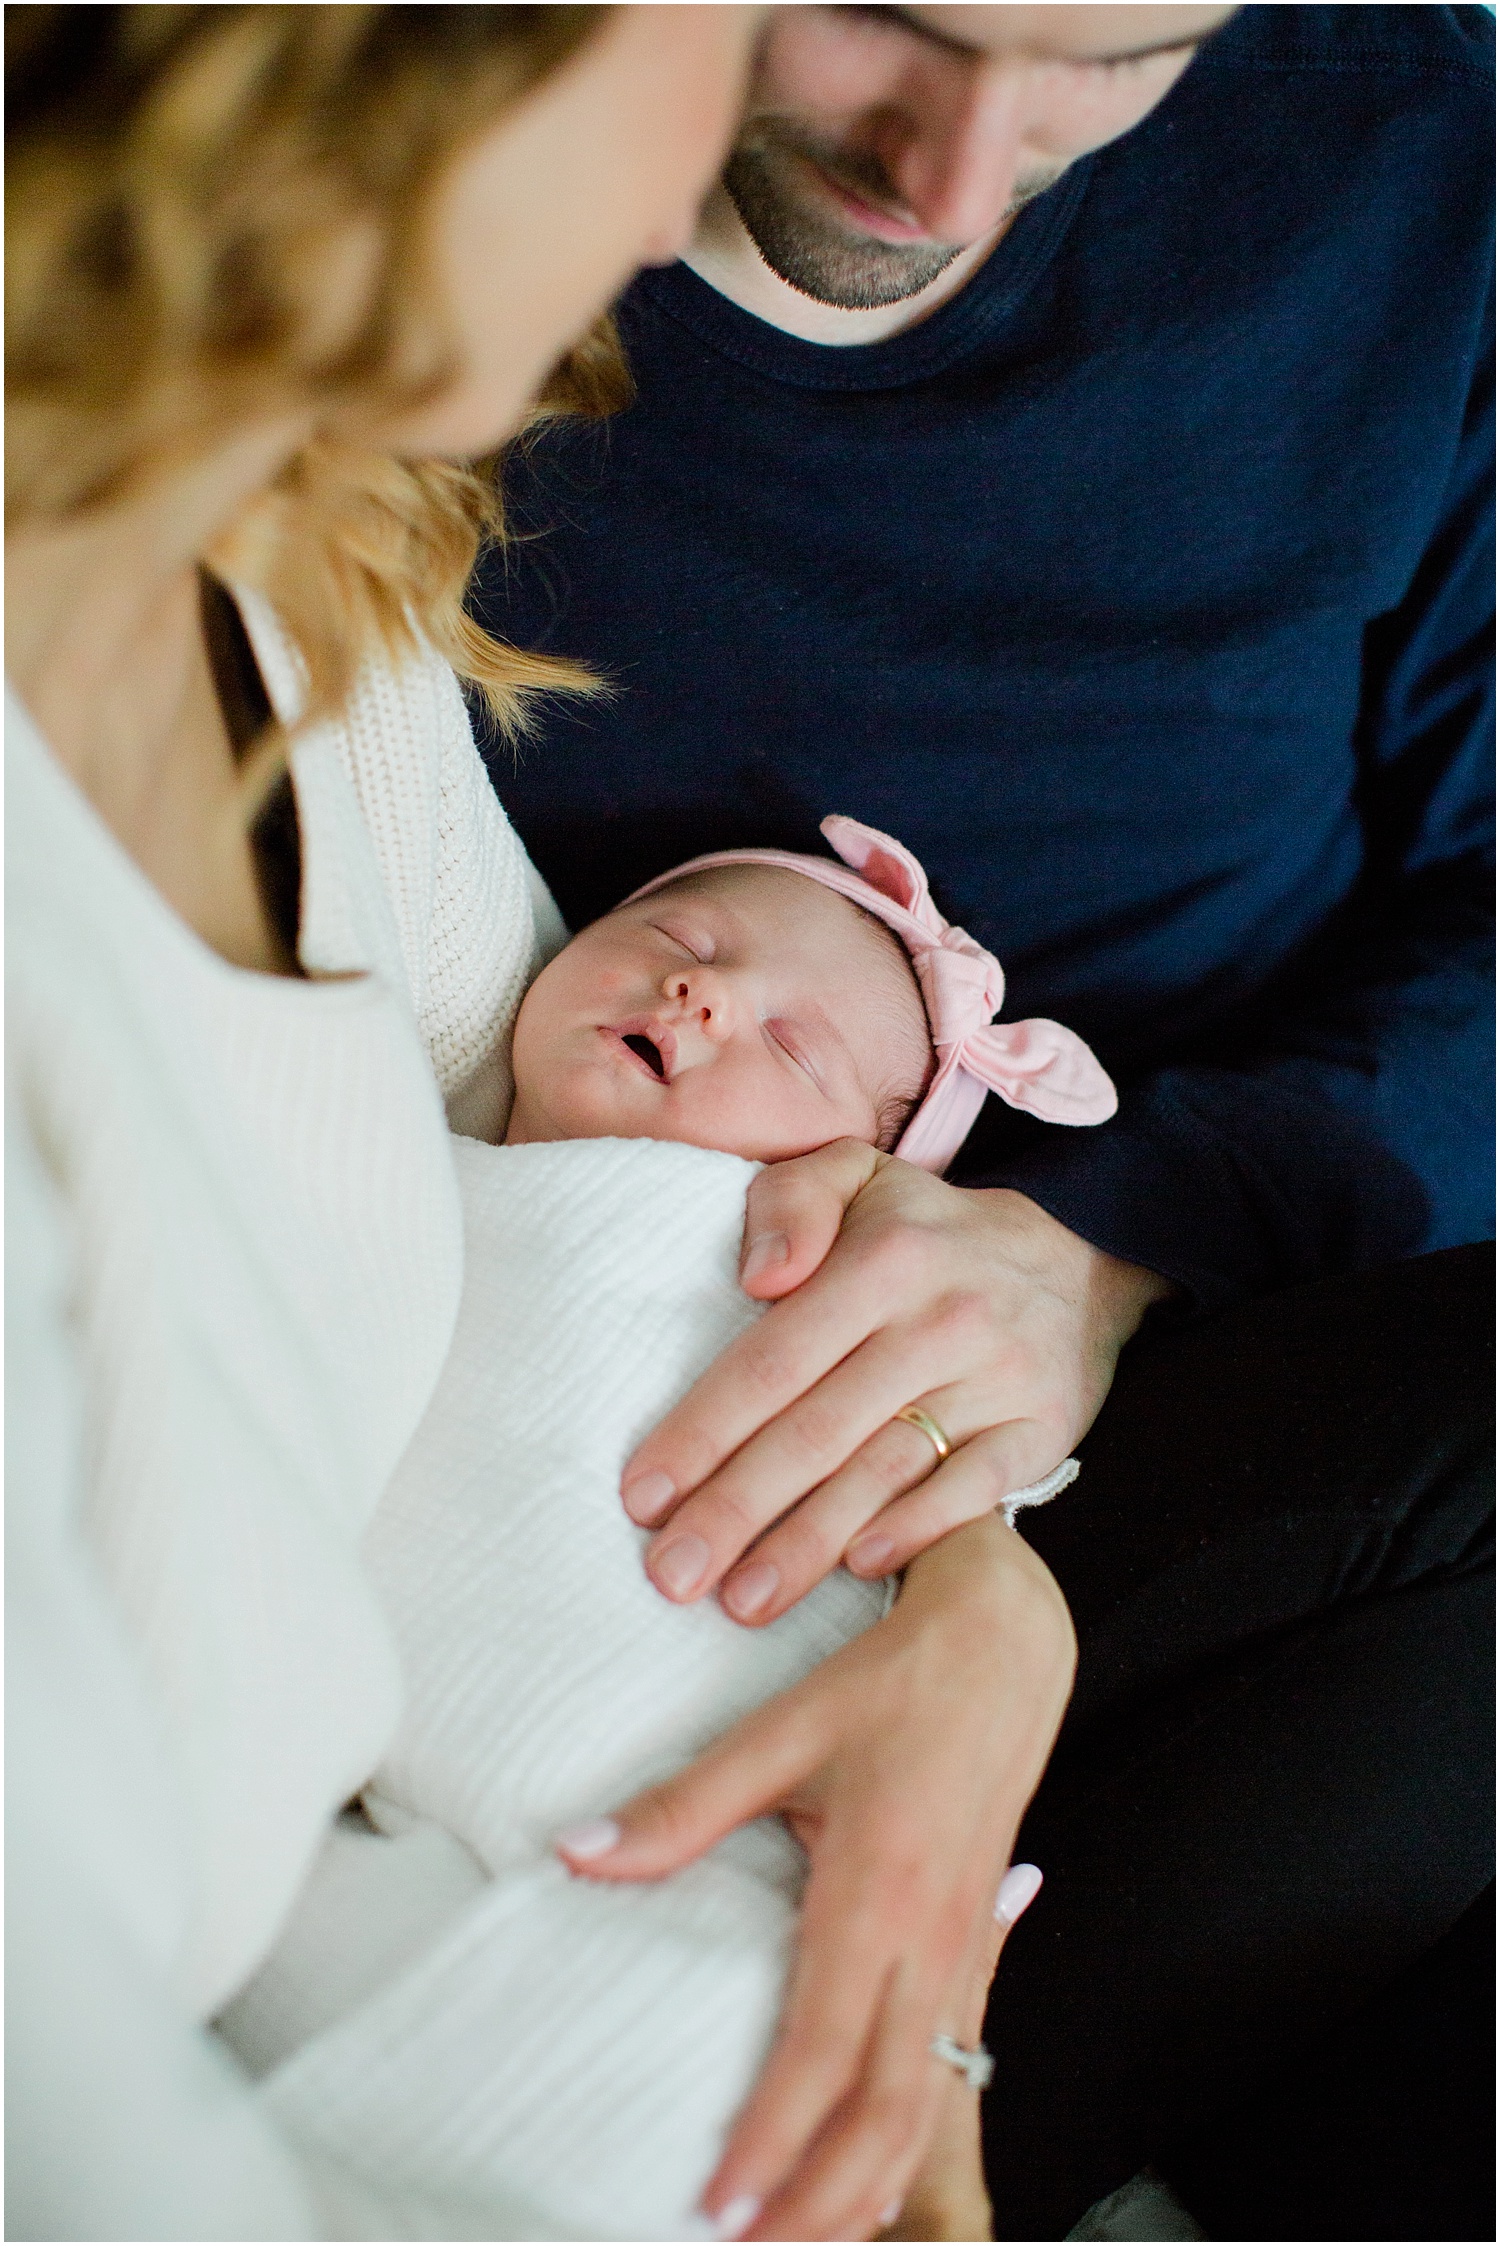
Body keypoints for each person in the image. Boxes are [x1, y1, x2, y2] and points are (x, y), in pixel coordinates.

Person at [467, 3, 1495, 2235]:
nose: (954, 176)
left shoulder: (1412, 165)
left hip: (1219, 1330)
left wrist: (1104, 1246)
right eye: (886, 25)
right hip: (636, 1410)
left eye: (1104, 66)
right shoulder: (441, 230)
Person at [215, 816, 1107, 2240]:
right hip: (406, 1780)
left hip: (728, 1813)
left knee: (709, 2084)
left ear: (872, 1181)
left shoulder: (793, 1262)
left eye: (796, 1052)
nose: (705, 994)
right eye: (680, 941)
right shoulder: (396, 1139)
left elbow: (951, 1457)